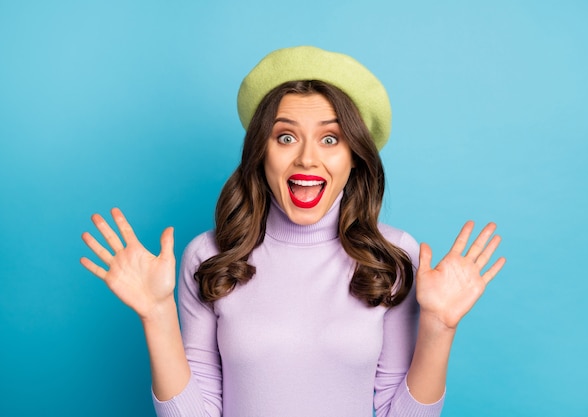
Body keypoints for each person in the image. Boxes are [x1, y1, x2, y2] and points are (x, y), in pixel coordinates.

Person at [80, 46, 505, 417]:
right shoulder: (209, 257)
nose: (306, 159)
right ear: (260, 151)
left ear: (354, 156)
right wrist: (157, 315)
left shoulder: (393, 256)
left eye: (330, 139)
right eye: (285, 137)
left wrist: (439, 327)